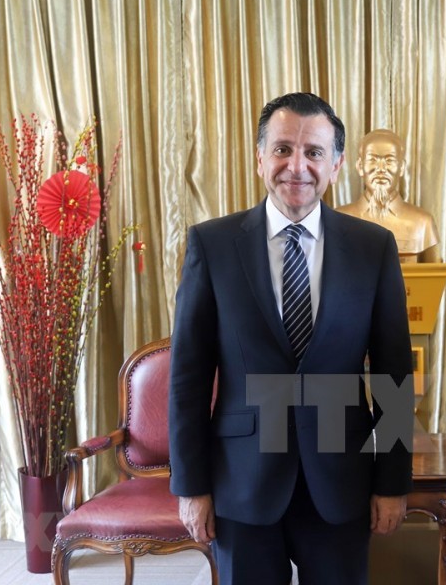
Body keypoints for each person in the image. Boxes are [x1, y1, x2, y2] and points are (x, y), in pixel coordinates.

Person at [168, 92, 415, 585]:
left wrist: (392, 482)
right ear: (260, 157)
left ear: (337, 164)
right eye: (282, 149)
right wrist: (191, 486)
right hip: (242, 482)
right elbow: (189, 378)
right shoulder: (212, 245)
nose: (296, 166)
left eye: (314, 152)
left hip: (341, 479)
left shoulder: (373, 248)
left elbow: (393, 376)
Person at [336, 128, 440, 262]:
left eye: (389, 160)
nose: (381, 169)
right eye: (372, 160)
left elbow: (434, 278)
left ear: (401, 167)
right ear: (360, 166)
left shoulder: (423, 223)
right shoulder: (338, 221)